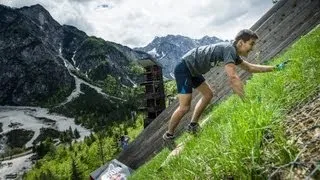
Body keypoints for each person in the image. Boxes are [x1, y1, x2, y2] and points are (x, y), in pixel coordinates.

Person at [163, 29, 286, 142]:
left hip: (194, 70)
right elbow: (233, 77)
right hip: (184, 68)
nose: (252, 48)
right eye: (251, 44)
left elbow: (250, 67)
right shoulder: (229, 50)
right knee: (184, 107)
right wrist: (247, 102)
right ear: (241, 43)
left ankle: (193, 125)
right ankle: (168, 135)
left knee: (208, 94)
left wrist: (275, 68)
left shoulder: (232, 52)